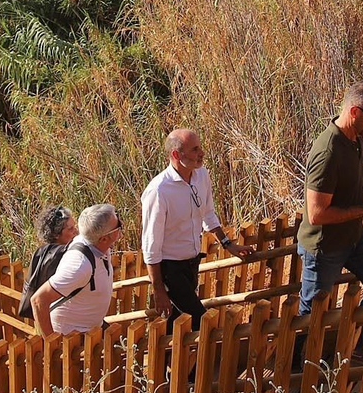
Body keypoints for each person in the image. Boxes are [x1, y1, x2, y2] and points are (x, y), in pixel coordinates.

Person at [296, 81, 363, 318]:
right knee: (311, 314)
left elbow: (356, 183)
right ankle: (296, 355)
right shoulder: (327, 152)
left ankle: (352, 346)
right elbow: (316, 214)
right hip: (324, 247)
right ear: (354, 111)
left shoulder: (356, 137)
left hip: (353, 237)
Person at [141, 129, 255, 330]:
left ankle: (169, 360)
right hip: (170, 269)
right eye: (194, 150)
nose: (201, 153)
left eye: (200, 147)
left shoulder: (201, 175)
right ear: (176, 155)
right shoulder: (159, 191)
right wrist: (158, 288)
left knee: (177, 325)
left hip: (191, 264)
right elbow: (151, 245)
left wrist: (228, 244)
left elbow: (208, 214)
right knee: (201, 322)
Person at [32, 204, 120, 336]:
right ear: (104, 238)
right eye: (118, 224)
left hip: (92, 330)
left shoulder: (99, 245)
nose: (122, 223)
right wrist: (52, 344)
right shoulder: (80, 265)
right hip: (71, 338)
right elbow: (38, 300)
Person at [17, 206, 76, 319]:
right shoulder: (63, 254)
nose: (76, 231)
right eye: (70, 229)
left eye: (75, 227)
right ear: (55, 234)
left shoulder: (42, 251)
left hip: (44, 315)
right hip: (55, 319)